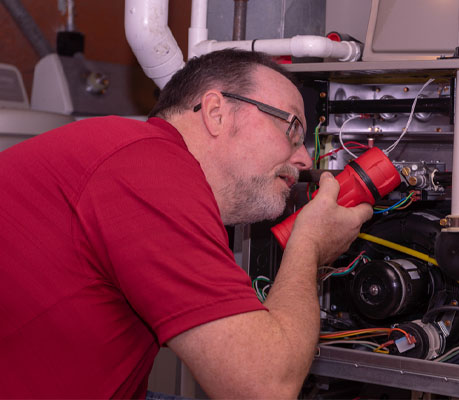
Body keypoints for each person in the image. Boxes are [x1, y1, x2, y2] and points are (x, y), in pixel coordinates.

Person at [0, 49, 372, 398]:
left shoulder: (141, 161)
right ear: (215, 112)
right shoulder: (148, 167)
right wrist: (308, 245)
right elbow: (263, 388)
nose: (305, 159)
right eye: (291, 127)